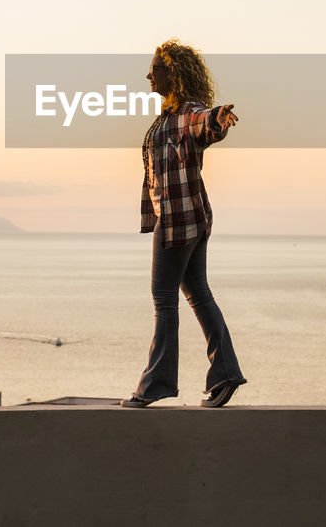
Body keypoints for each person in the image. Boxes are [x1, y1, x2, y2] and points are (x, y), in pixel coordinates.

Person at [121, 38, 248, 408]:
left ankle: (155, 385)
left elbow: (204, 122)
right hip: (191, 217)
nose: (148, 75)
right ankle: (225, 374)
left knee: (164, 301)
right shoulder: (167, 116)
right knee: (197, 294)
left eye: (155, 69)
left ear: (171, 73)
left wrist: (218, 116)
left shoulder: (186, 113)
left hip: (177, 221)